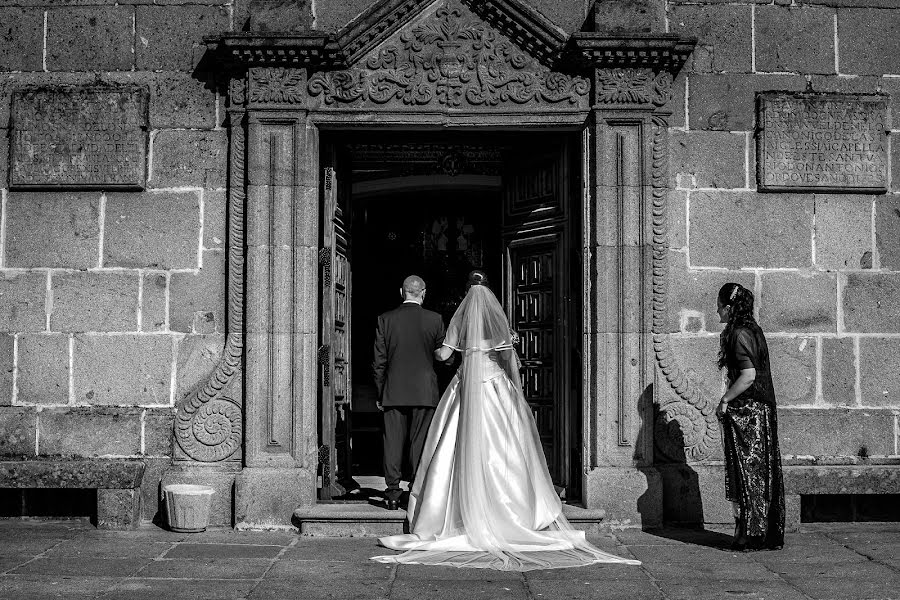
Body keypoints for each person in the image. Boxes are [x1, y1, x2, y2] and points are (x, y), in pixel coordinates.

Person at [372, 270, 640, 571]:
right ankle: (509, 511)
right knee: (501, 449)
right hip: (495, 388)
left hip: (464, 389)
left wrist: (441, 353)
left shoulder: (459, 323)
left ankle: (452, 511)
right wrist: (517, 391)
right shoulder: (498, 324)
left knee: (453, 448)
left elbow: (443, 354)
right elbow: (510, 360)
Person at [714, 283, 785, 551]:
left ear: (729, 308)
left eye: (720, 305)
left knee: (747, 473)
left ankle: (749, 535)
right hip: (760, 411)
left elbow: (748, 375)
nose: (717, 311)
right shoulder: (753, 330)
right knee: (758, 473)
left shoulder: (740, 333)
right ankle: (756, 532)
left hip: (748, 413)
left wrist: (725, 400)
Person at [373, 275, 446, 511]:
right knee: (420, 442)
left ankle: (393, 493)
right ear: (423, 292)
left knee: (392, 443)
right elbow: (443, 357)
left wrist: (380, 392)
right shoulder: (435, 319)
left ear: (401, 292)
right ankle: (416, 489)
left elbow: (379, 362)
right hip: (424, 391)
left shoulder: (385, 319)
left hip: (393, 390)